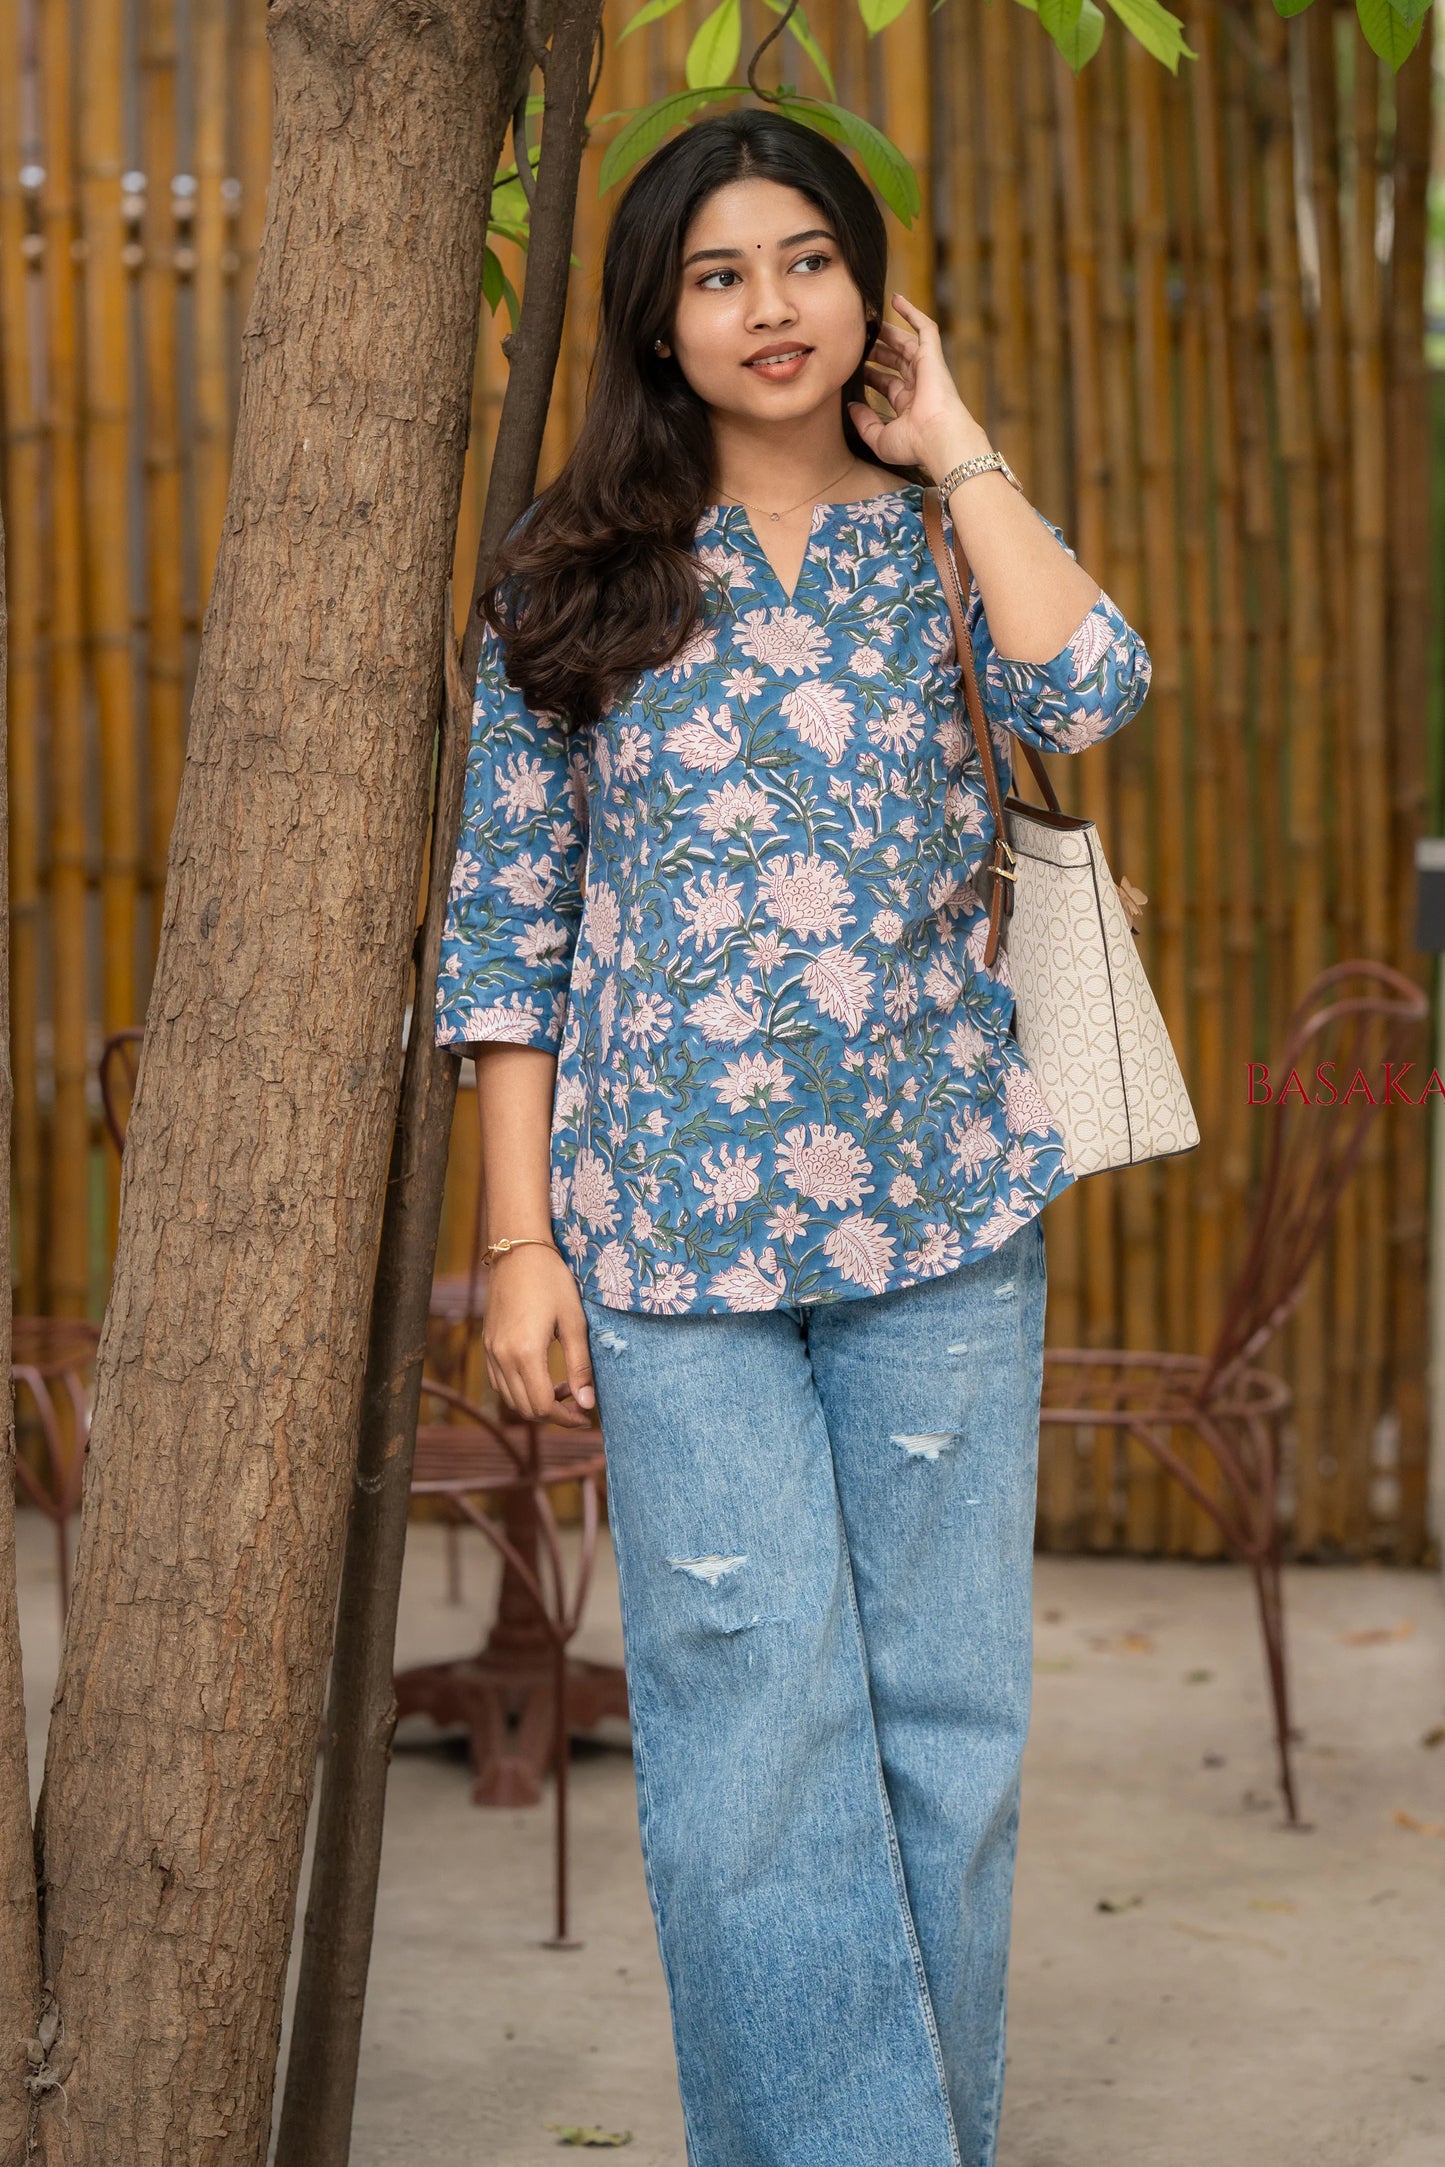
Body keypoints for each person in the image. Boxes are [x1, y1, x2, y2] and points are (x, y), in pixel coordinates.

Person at [437, 107, 1150, 2167]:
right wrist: (519, 1245)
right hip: (670, 1247)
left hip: (944, 1221)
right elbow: (507, 935)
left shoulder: (939, 542)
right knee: (753, 1737)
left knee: (949, 1735)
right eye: (720, 274)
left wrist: (961, 447)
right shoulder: (574, 584)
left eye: (810, 259)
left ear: (870, 292)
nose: (772, 306)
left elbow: (1090, 692)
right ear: (658, 323)